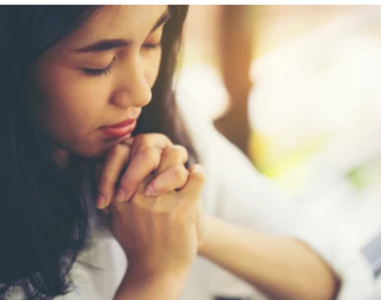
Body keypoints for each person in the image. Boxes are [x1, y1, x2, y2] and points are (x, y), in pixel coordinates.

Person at [0, 5, 375, 300]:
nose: (141, 94)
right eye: (97, 66)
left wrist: (194, 229)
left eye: (151, 43)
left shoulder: (172, 126)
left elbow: (338, 285)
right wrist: (154, 276)